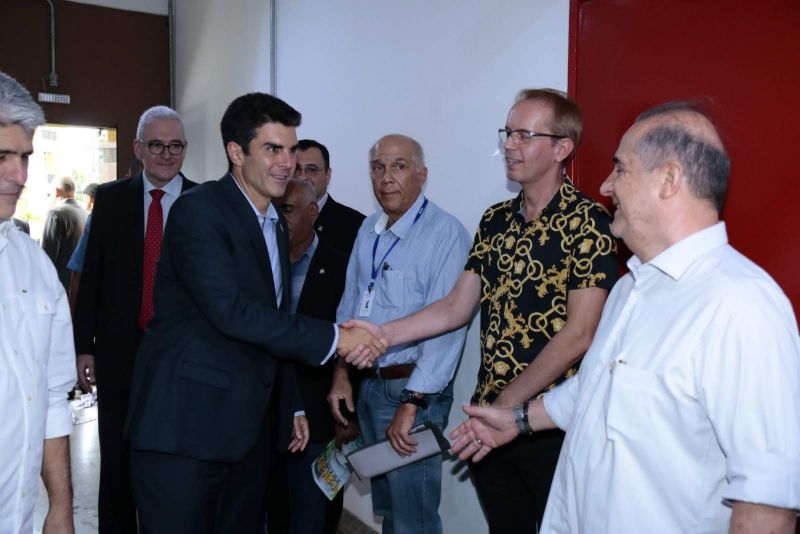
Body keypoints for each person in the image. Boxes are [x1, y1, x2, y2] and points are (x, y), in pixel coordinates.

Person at [450, 102, 800, 533]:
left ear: (668, 180)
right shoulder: (629, 289)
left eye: (621, 169)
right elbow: (594, 387)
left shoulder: (740, 305)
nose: (606, 184)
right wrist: (517, 420)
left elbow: (766, 503)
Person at [345, 89, 619, 532]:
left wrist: (507, 410)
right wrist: (382, 335)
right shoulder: (495, 220)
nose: (509, 144)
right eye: (508, 133)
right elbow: (456, 306)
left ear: (562, 148)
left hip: (552, 424)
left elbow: (579, 334)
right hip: (490, 418)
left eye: (524, 135)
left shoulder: (588, 222)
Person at [124, 92, 384, 534]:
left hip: (246, 438)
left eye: (290, 149)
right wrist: (336, 338)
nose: (287, 163)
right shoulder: (199, 210)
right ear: (236, 152)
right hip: (184, 435)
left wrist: (291, 407)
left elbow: (271, 322)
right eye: (272, 149)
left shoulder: (275, 222)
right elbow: (233, 313)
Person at [330, 134, 471, 534]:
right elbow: (350, 305)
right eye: (378, 167)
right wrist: (341, 374)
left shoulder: (445, 235)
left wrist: (412, 403)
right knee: (391, 509)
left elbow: (449, 327)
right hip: (371, 386)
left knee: (414, 518)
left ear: (422, 175)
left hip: (412, 393)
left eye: (399, 166)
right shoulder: (369, 230)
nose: (386, 177)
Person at [72, 105, 197, 534]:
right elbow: (92, 278)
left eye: (175, 145)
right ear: (138, 148)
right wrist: (83, 345)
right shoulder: (109, 201)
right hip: (119, 353)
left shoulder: (207, 203)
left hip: (184, 359)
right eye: (156, 145)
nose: (166, 154)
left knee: (176, 461)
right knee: (118, 460)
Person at [0, 70, 76, 533]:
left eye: (25, 156)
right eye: (1, 156)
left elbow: (50, 396)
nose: (20, 175)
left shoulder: (35, 266)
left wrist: (62, 506)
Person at [268, 178, 351, 534]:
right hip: (263, 411)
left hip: (317, 412)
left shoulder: (341, 266)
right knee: (268, 510)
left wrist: (346, 416)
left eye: (287, 209)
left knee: (310, 514)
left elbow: (348, 340)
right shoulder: (260, 259)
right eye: (275, 209)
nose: (279, 217)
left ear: (313, 211)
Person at [295, 139, 365, 255]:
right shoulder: (274, 220)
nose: (302, 177)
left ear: (328, 175)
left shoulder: (357, 226)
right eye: (296, 169)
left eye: (311, 170)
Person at [42, 175, 87, 292]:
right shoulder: (84, 214)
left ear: (56, 191)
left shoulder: (55, 214)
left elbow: (47, 256)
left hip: (59, 287)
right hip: (79, 285)